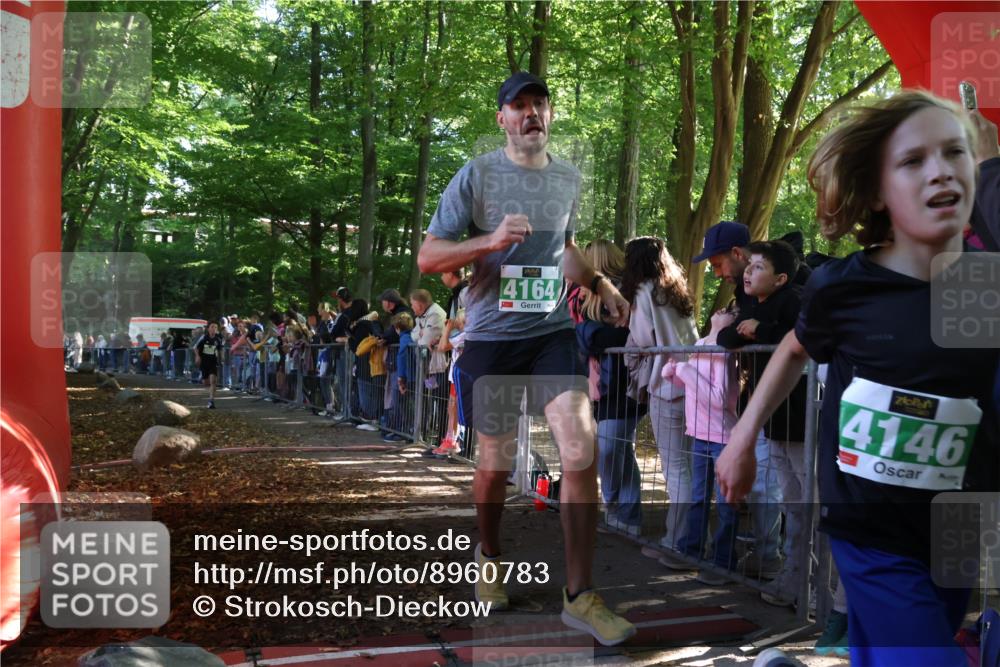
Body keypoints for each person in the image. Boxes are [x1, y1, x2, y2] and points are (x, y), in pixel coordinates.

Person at [716, 90, 999, 667]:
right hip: (870, 531)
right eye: (913, 160)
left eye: (955, 153)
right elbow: (794, 349)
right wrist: (742, 438)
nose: (941, 170)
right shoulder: (843, 287)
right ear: (875, 192)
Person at [417, 71, 636, 645]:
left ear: (550, 114)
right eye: (518, 106)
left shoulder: (566, 177)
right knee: (494, 462)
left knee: (579, 445)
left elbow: (562, 246)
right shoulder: (478, 175)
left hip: (551, 333)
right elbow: (429, 255)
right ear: (503, 119)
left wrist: (600, 283)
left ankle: (579, 595)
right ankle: (489, 557)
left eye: (539, 103)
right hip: (491, 340)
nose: (530, 112)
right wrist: (486, 242)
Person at [717, 239, 808, 606]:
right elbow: (726, 336)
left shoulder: (796, 301)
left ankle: (820, 588)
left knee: (812, 507)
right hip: (775, 422)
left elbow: (799, 339)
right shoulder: (753, 302)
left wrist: (761, 331)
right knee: (792, 503)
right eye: (749, 266)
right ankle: (794, 580)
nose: (749, 273)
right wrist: (748, 327)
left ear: (782, 278)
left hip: (803, 421)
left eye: (758, 268)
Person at [621, 236, 697, 561]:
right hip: (694, 384)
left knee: (676, 467)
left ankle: (678, 543)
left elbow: (640, 339)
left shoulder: (644, 292)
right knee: (692, 465)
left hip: (666, 384)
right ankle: (693, 538)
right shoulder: (675, 290)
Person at [662, 305, 741, 585]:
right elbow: (691, 386)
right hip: (698, 433)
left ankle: (723, 562)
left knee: (725, 504)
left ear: (733, 321)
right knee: (698, 498)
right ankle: (691, 550)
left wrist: (684, 369)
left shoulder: (723, 350)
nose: (723, 310)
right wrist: (673, 372)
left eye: (731, 311)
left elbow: (718, 398)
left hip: (722, 437)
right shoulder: (699, 344)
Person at [574, 239, 645, 537]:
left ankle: (623, 511)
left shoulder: (630, 292)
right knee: (616, 448)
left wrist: (589, 333)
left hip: (626, 383)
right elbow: (582, 334)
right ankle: (620, 512)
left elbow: (625, 336)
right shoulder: (582, 296)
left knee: (611, 446)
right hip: (600, 385)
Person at [194, 322, 225, 409]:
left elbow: (220, 348)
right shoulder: (204, 338)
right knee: (206, 382)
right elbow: (195, 348)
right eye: (212, 327)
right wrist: (197, 356)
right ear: (208, 329)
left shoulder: (218, 339)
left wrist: (222, 357)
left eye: (215, 327)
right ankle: (209, 393)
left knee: (213, 381)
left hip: (213, 362)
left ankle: (211, 400)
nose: (214, 329)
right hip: (204, 362)